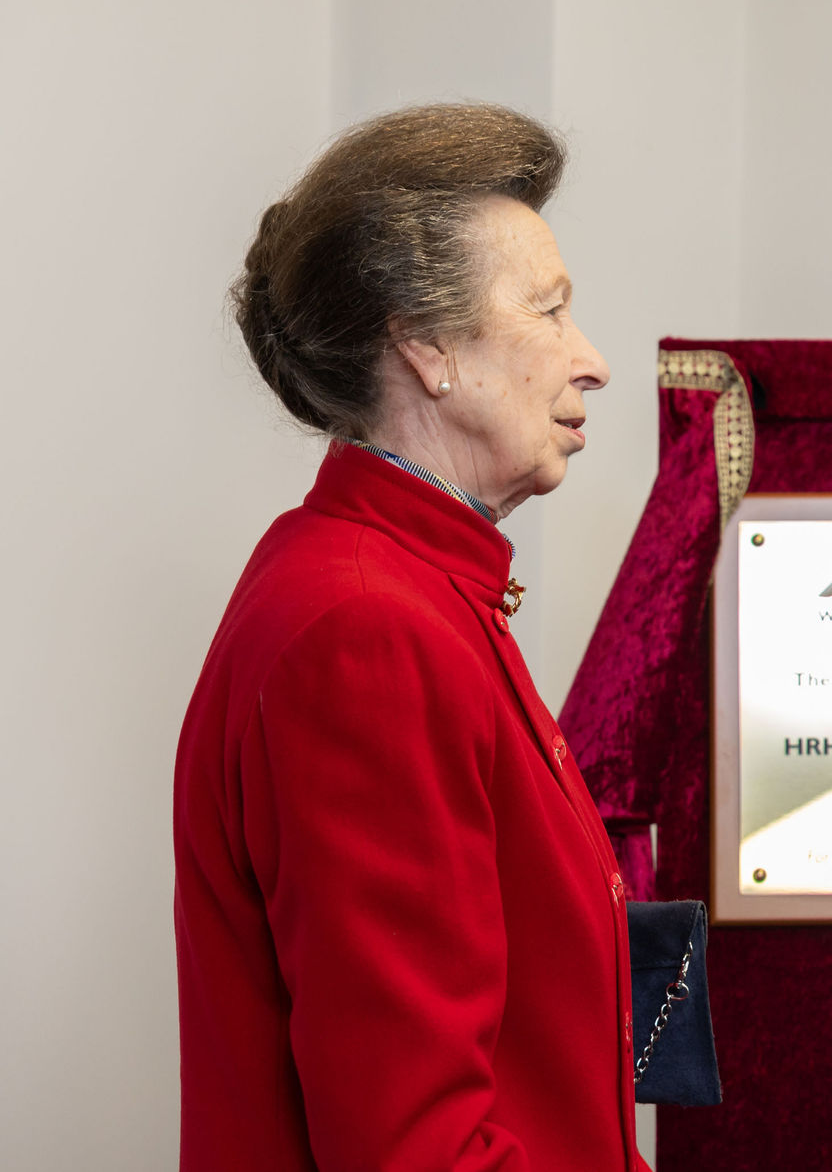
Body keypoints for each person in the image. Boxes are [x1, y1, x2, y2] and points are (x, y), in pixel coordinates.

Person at [172, 104, 638, 1169]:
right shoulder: (368, 631)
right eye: (548, 311)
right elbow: (414, 1145)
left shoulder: (397, 585)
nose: (591, 360)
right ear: (426, 346)